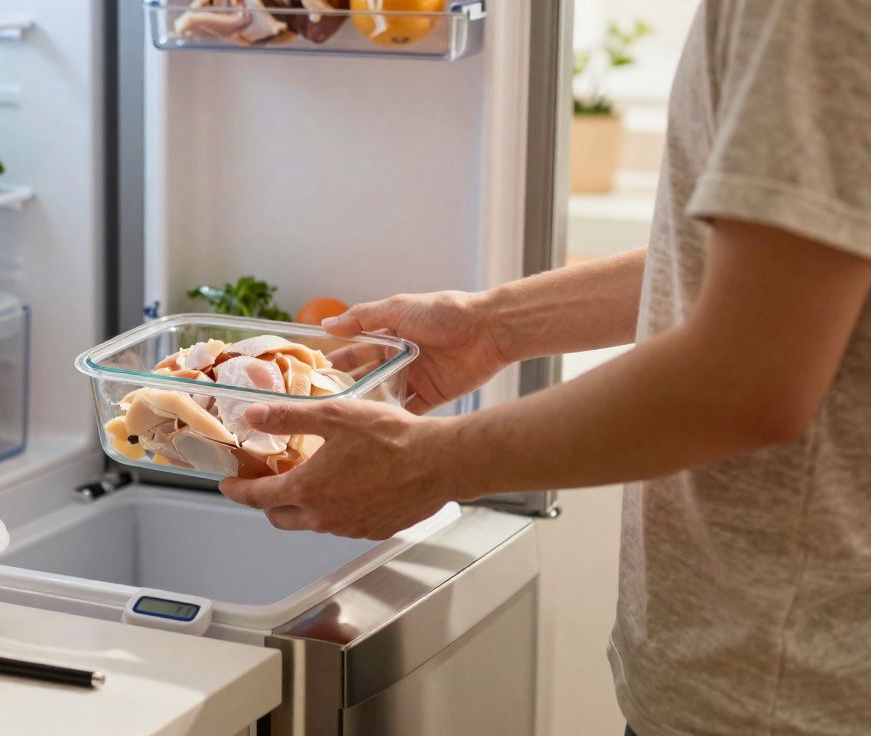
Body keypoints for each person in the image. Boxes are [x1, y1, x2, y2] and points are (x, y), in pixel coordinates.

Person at [217, 2, 871, 734]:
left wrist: (428, 463)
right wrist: (493, 327)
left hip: (792, 696)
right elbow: (764, 270)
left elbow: (747, 376)